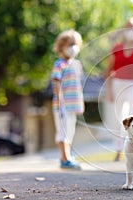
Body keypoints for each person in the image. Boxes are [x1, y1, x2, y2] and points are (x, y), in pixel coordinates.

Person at [104, 17, 133, 161]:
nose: (131, 31)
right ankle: (118, 150)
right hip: (118, 84)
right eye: (129, 27)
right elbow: (108, 71)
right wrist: (109, 91)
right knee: (118, 119)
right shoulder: (116, 49)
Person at [51, 29, 84, 169]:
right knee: (63, 132)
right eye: (70, 44)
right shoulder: (59, 65)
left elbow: (78, 85)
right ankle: (65, 158)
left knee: (70, 132)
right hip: (62, 106)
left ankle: (67, 156)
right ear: (61, 47)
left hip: (73, 105)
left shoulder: (77, 64)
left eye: (75, 44)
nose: (73, 47)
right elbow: (57, 84)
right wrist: (60, 102)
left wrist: (80, 104)